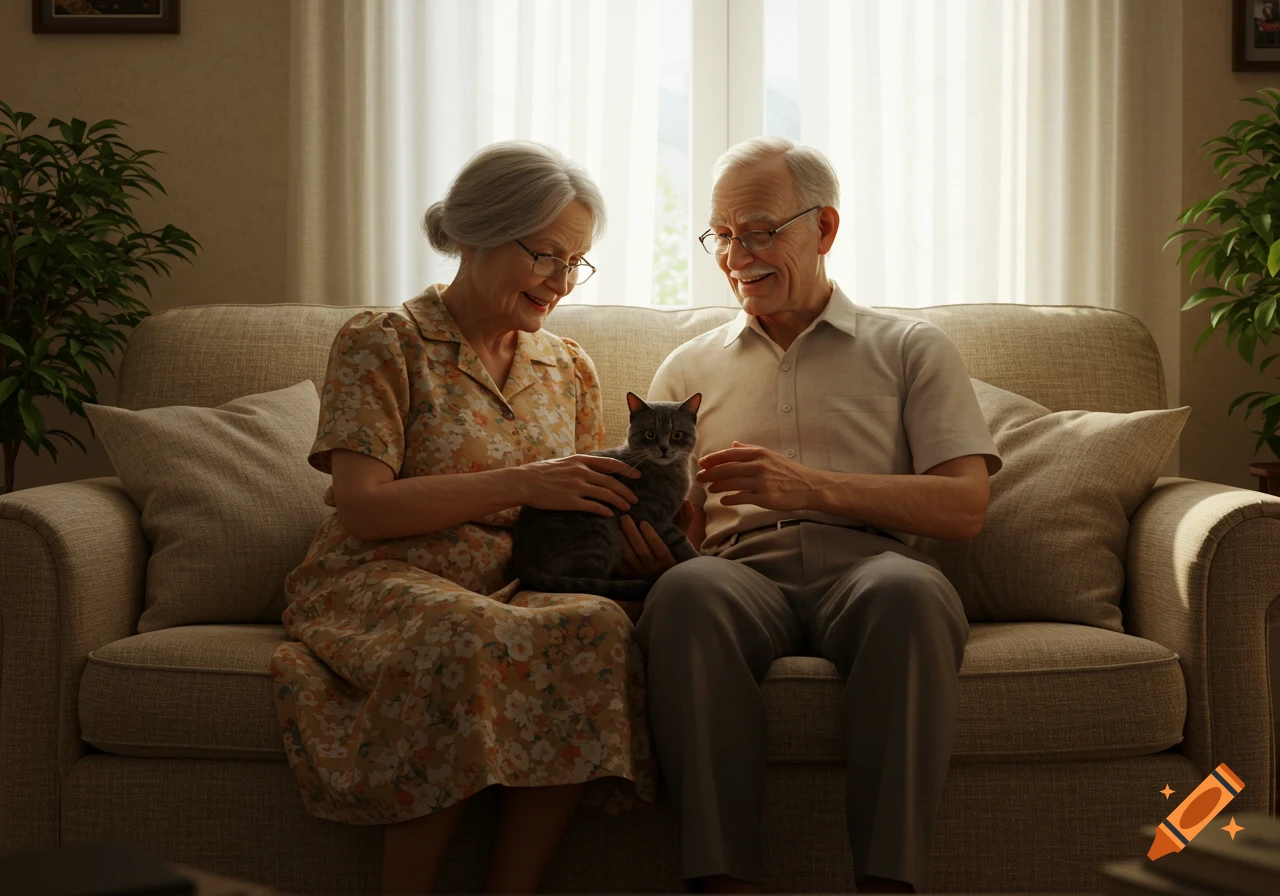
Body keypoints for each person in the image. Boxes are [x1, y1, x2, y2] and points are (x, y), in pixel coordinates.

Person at [269, 140, 655, 896]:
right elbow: (363, 507)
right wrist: (524, 483)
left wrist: (651, 549)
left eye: (576, 262)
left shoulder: (569, 367)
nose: (560, 282)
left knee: (598, 625)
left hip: (519, 584)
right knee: (467, 629)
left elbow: (585, 510)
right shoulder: (383, 341)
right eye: (545, 256)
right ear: (477, 235)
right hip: (380, 576)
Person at [624, 137, 1002, 894]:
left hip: (873, 569)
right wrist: (652, 552)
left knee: (912, 593)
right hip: (738, 575)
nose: (736, 257)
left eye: (759, 231)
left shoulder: (911, 348)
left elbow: (964, 506)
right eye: (721, 235)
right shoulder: (686, 369)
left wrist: (810, 488)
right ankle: (724, 883)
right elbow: (682, 521)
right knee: (686, 592)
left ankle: (888, 884)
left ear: (824, 228)